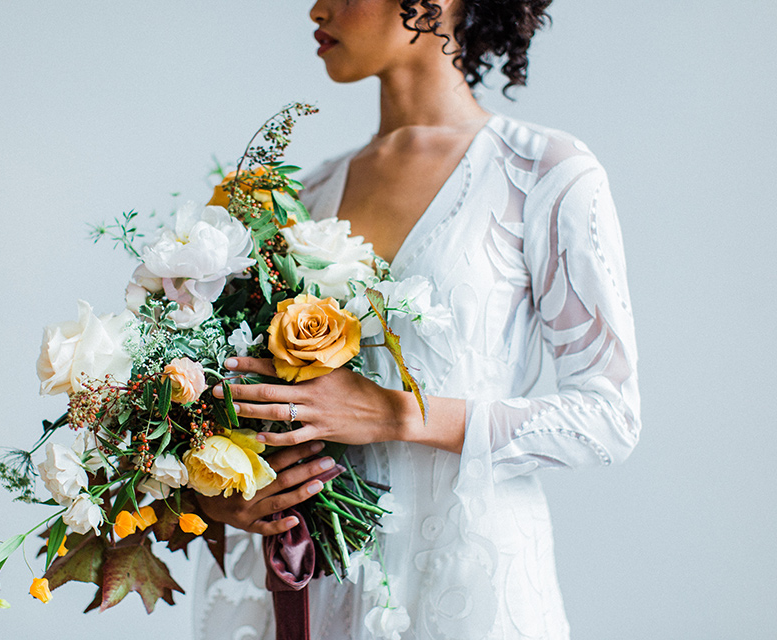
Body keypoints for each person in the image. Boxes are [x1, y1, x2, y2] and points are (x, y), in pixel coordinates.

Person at [194, 0, 640, 638]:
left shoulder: (544, 172)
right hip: (321, 593)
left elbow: (609, 416)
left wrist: (393, 411)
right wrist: (228, 492)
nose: (316, 8)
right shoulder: (303, 197)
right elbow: (257, 397)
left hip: (466, 591)